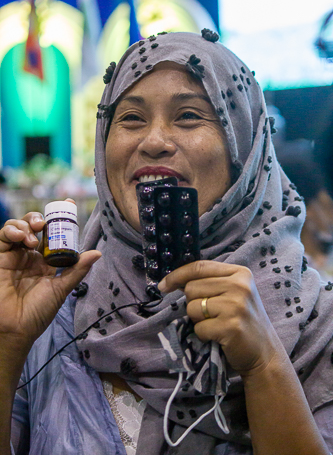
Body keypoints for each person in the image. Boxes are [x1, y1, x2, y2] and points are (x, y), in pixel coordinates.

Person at [1, 30, 333, 455]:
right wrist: (8, 344)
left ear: (245, 150)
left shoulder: (314, 323)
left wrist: (265, 364)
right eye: (132, 119)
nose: (154, 141)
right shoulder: (55, 307)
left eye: (189, 116)